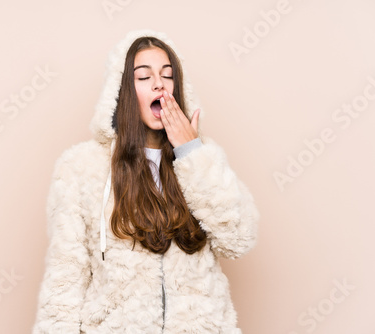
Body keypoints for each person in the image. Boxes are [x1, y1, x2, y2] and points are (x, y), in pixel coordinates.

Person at [31, 29, 260, 334]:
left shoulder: (203, 159)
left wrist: (190, 152)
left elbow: (238, 239)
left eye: (168, 75)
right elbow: (65, 276)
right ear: (123, 90)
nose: (159, 84)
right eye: (143, 77)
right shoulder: (81, 168)